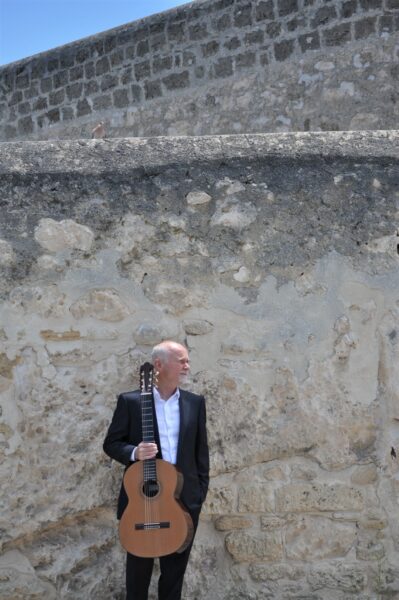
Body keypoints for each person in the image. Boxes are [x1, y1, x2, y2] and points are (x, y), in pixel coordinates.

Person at [103, 340, 210, 600]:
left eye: (187, 360)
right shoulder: (130, 402)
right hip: (144, 501)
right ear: (159, 365)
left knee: (174, 578)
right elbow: (111, 444)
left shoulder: (194, 403)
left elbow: (201, 453)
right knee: (137, 577)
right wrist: (134, 452)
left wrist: (198, 494)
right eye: (181, 360)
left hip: (184, 501)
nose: (187, 365)